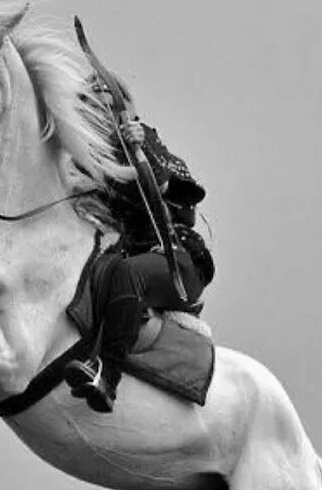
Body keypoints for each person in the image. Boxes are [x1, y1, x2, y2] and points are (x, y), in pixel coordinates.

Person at [65, 79, 214, 413]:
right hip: (125, 257)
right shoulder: (89, 160)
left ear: (124, 106)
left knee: (129, 272)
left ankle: (106, 376)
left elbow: (167, 189)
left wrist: (140, 150)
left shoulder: (148, 139)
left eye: (102, 101)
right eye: (87, 104)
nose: (95, 109)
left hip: (176, 261)